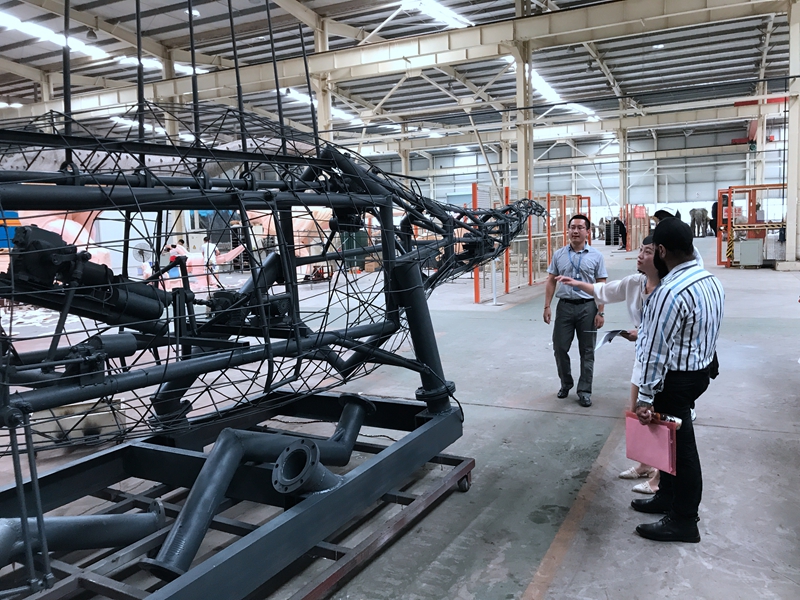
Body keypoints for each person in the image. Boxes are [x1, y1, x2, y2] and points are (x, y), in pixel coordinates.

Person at [630, 218, 724, 543]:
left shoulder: (669, 292)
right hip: (699, 372)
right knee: (666, 443)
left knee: (681, 451)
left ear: (661, 250)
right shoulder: (710, 280)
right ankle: (667, 496)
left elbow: (655, 350)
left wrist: (645, 397)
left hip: (675, 381)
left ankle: (684, 520)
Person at [556, 236, 661, 494]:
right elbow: (605, 290)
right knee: (637, 412)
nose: (640, 255)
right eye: (640, 250)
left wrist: (642, 333)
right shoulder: (636, 282)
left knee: (658, 416)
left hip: (662, 362)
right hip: (643, 357)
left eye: (647, 252)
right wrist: (576, 283)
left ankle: (660, 477)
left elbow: (665, 330)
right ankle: (645, 464)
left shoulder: (668, 289)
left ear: (662, 256)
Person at [543, 215, 608, 407]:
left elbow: (601, 285)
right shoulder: (559, 255)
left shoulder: (596, 256)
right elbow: (551, 280)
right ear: (568, 230)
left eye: (580, 227)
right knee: (559, 347)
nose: (575, 231)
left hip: (588, 307)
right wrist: (547, 306)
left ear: (588, 231)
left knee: (587, 350)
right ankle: (566, 383)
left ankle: (584, 391)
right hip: (565, 307)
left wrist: (600, 311)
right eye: (572, 227)